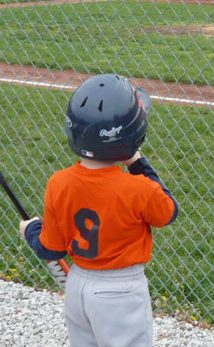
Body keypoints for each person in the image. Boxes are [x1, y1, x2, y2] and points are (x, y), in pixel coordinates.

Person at [19, 74, 179, 347]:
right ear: (133, 137)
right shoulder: (138, 189)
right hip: (121, 293)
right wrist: (137, 161)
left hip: (78, 287)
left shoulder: (59, 183)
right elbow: (168, 211)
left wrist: (32, 230)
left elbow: (51, 249)